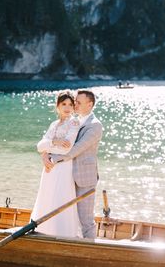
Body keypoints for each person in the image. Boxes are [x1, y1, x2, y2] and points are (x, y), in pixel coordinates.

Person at [42, 90, 103, 239]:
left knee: (86, 219)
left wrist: (53, 159)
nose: (75, 105)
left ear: (90, 104)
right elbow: (56, 142)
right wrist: (45, 154)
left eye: (78, 102)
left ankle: (89, 250)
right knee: (68, 215)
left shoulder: (95, 125)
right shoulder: (74, 121)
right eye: (75, 101)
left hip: (83, 177)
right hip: (67, 174)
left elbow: (76, 149)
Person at [31, 91, 81, 237]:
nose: (67, 107)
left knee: (61, 195)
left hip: (63, 166)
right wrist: (48, 150)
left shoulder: (74, 122)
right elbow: (39, 146)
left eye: (70, 105)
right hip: (49, 166)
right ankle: (44, 229)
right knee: (47, 194)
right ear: (57, 106)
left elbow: (67, 148)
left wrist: (47, 148)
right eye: (63, 104)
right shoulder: (54, 124)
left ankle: (62, 233)